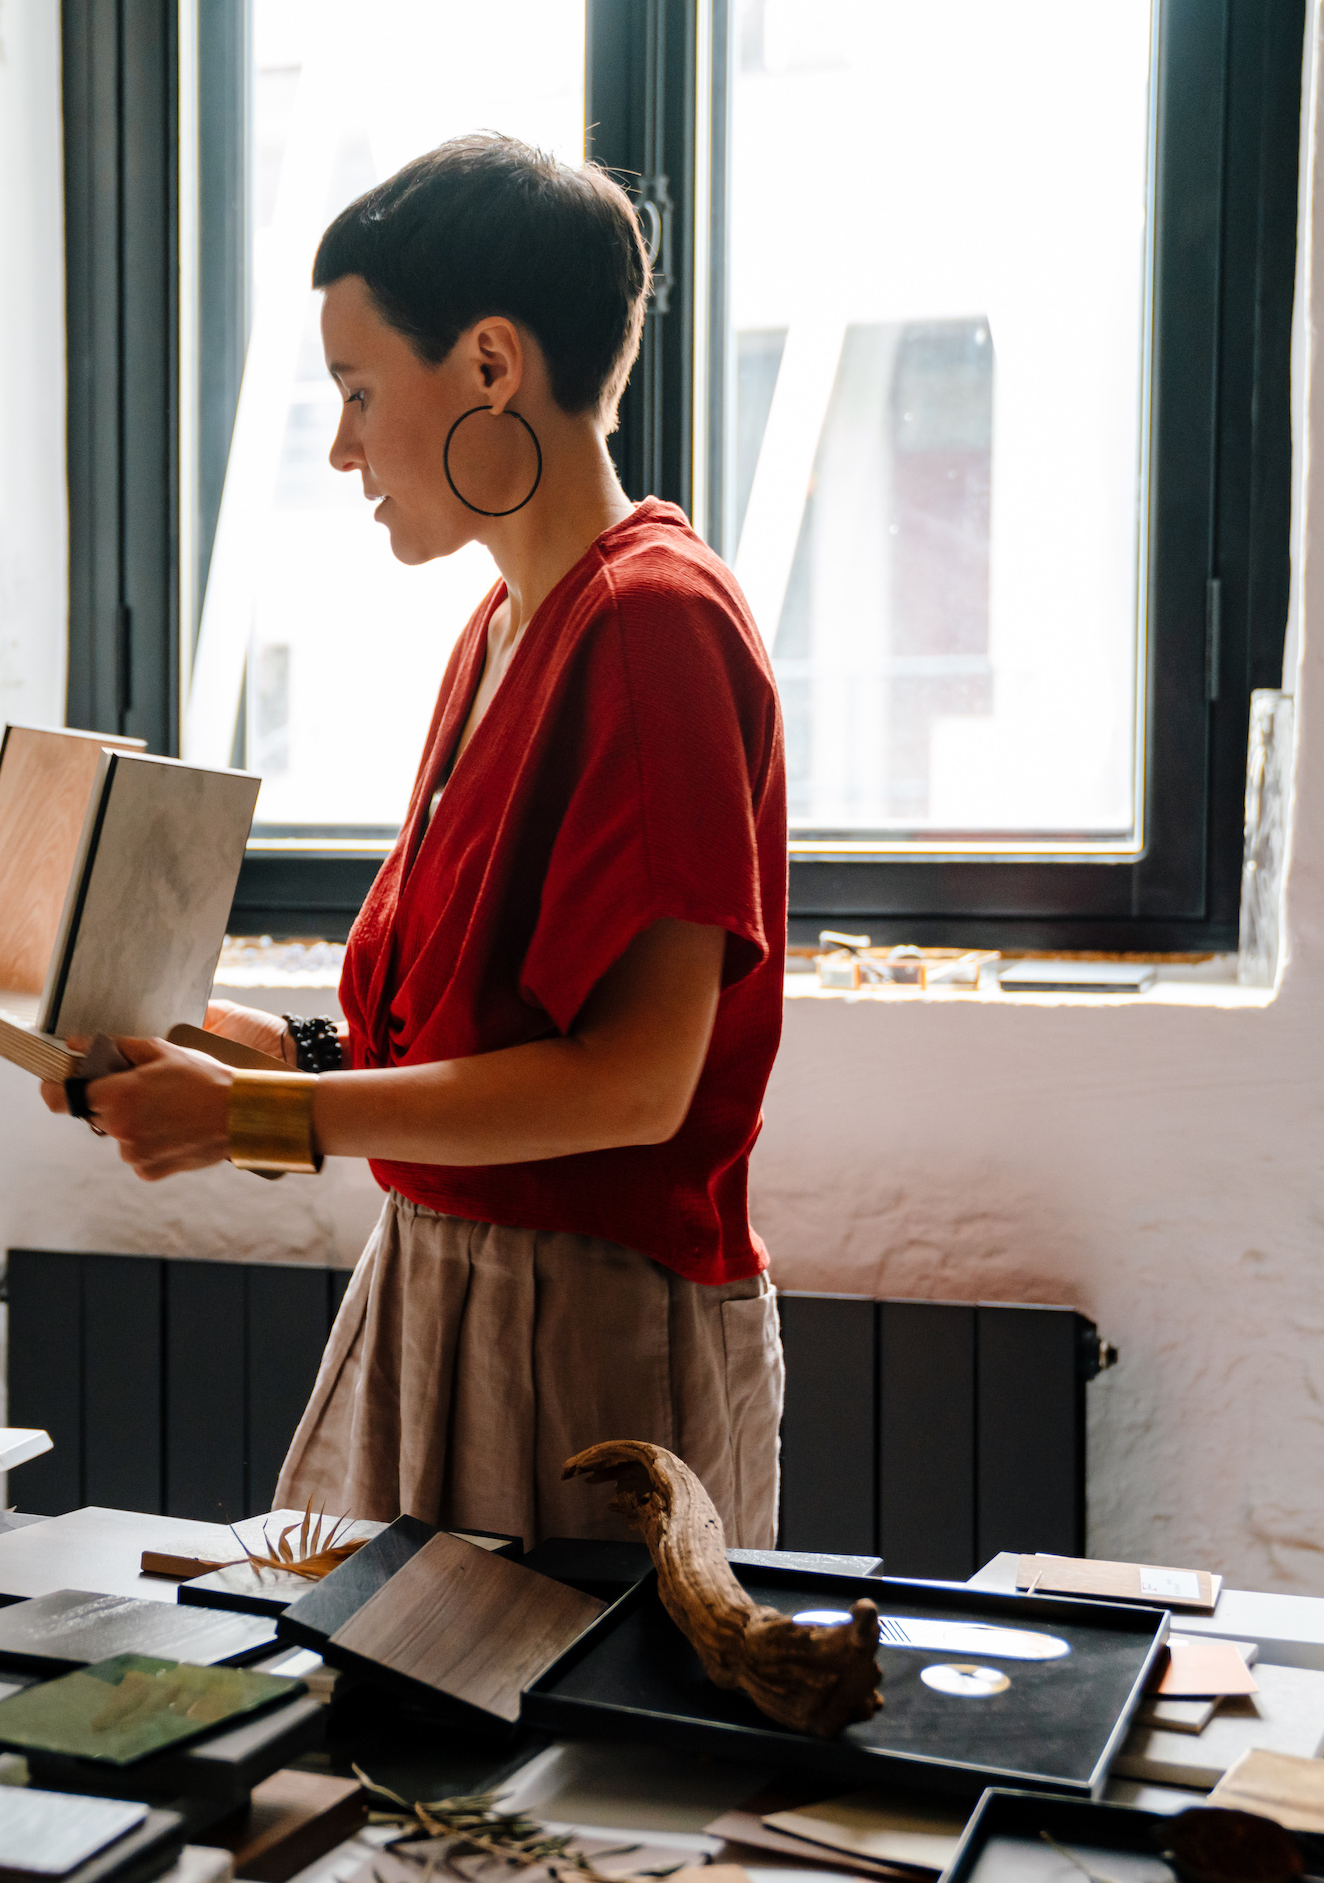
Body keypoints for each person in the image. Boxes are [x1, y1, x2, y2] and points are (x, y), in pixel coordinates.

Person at [44, 134, 789, 1545]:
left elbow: (633, 1084)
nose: (342, 447)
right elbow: (469, 1045)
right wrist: (228, 1052)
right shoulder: (502, 629)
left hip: (590, 1336)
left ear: (492, 364)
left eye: (359, 391)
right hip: (439, 1287)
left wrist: (258, 1119)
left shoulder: (655, 624)